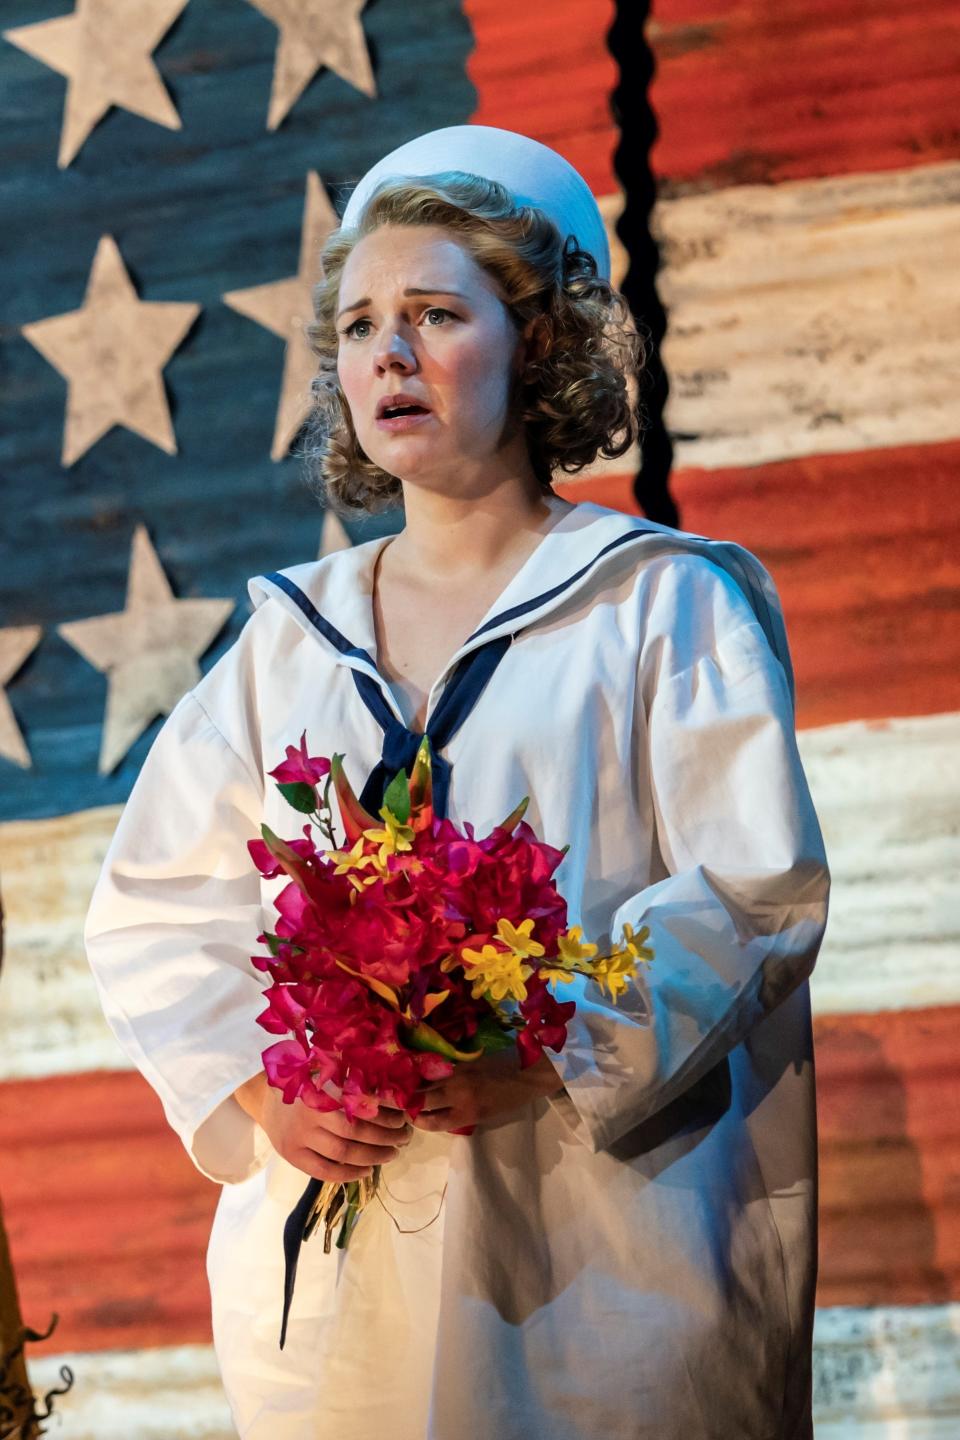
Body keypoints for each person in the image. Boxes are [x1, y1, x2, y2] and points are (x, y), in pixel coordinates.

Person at [84, 125, 830, 1440]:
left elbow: (751, 890)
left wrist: (549, 1048)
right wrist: (259, 1091)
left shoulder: (658, 607)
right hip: (341, 1261)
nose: (389, 353)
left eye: (436, 312)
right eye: (363, 322)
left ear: (538, 342)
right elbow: (157, 898)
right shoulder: (285, 638)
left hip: (592, 1250)